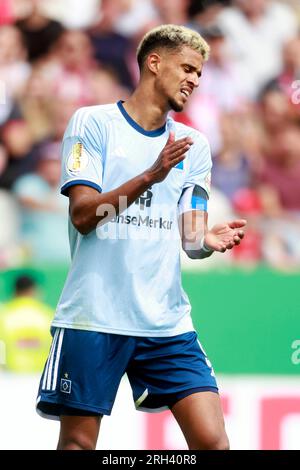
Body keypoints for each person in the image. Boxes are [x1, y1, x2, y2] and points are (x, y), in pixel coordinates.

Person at [36, 24, 246, 450]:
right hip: (93, 317)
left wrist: (208, 240)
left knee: (213, 442)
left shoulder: (193, 145)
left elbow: (190, 238)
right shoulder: (92, 123)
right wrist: (152, 175)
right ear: (154, 62)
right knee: (78, 444)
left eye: (200, 73)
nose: (194, 80)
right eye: (187, 68)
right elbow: (83, 216)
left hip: (165, 322)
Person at [0, 275, 52, 372]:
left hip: (8, 378)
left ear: (14, 291)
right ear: (34, 290)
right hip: (40, 377)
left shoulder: (3, 314)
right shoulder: (49, 316)